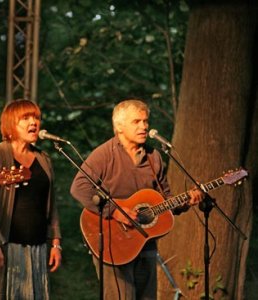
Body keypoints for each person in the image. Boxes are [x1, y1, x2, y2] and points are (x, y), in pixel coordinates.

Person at [70, 99, 203, 300]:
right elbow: (79, 187)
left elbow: (164, 199)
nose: (144, 126)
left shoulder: (154, 157)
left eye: (145, 121)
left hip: (145, 243)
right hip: (112, 242)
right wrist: (115, 212)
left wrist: (186, 201)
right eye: (137, 122)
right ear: (119, 126)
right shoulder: (104, 154)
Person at [0, 99, 62, 300]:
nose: (33, 122)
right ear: (10, 124)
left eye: (36, 118)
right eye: (26, 118)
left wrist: (56, 243)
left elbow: (51, 204)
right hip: (6, 246)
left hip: (37, 247)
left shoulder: (43, 158)